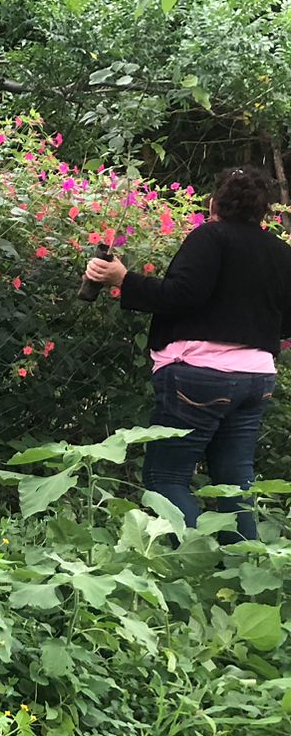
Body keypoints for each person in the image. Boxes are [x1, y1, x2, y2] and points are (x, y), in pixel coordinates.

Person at [85, 167, 291, 539]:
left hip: (197, 375)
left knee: (166, 478)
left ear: (214, 203)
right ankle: (240, 571)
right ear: (263, 211)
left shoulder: (210, 237)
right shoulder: (280, 252)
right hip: (257, 376)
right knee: (234, 483)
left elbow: (182, 295)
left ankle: (190, 559)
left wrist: (123, 279)